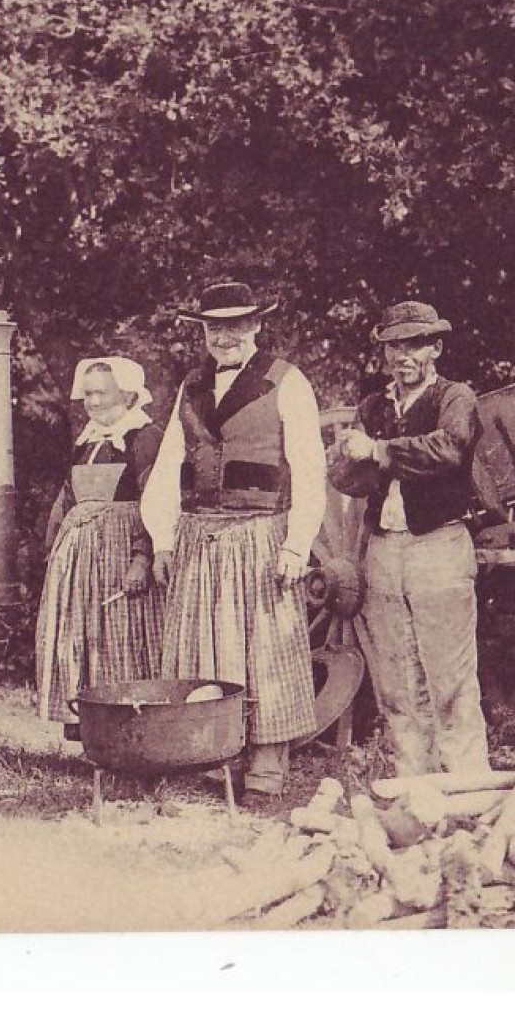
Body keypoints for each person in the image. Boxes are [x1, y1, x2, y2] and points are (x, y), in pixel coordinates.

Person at [140, 281, 327, 799]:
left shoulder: (287, 382)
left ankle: (267, 766)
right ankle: (207, 759)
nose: (224, 335)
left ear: (256, 326)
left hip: (260, 535)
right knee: (202, 650)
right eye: (214, 326)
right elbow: (167, 466)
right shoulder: (191, 387)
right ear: (203, 331)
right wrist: (162, 539)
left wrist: (295, 546)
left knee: (266, 650)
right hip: (199, 536)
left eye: (235, 324)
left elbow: (311, 470)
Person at [329, 300, 489, 778]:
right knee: (396, 676)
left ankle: (465, 784)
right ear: (385, 353)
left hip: (438, 545)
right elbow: (345, 476)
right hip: (384, 549)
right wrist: (345, 459)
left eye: (416, 344)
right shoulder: (373, 406)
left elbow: (450, 448)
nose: (404, 355)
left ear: (434, 349)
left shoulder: (454, 398)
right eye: (395, 345)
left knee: (451, 676)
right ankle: (412, 783)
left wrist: (377, 450)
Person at [33, 357, 166, 738]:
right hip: (81, 560)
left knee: (120, 637)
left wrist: (142, 557)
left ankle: (132, 731)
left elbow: (155, 502)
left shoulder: (144, 437)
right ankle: (93, 731)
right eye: (87, 393)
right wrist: (55, 547)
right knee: (83, 634)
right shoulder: (87, 440)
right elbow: (67, 498)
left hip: (120, 555)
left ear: (126, 395)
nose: (91, 401)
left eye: (100, 393)